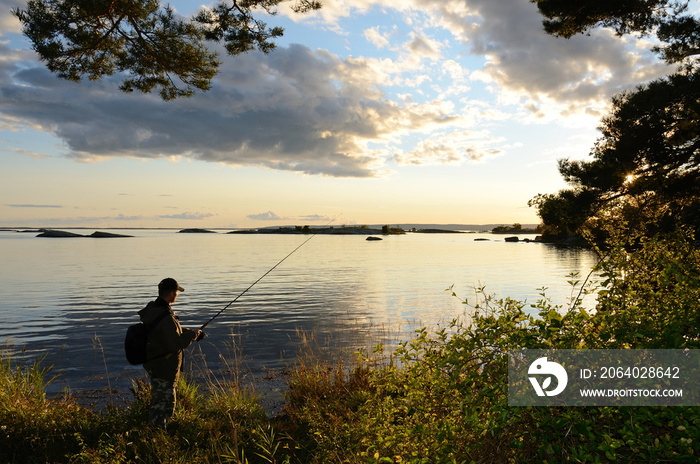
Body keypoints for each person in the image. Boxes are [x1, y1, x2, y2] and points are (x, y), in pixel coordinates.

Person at [139, 278, 203, 429]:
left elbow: (165, 334)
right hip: (164, 369)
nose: (177, 295)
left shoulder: (155, 310)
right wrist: (192, 336)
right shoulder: (165, 316)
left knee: (158, 404)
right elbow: (175, 345)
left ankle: (154, 436)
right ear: (171, 293)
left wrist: (191, 333)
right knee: (164, 408)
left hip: (156, 365)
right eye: (176, 292)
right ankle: (156, 440)